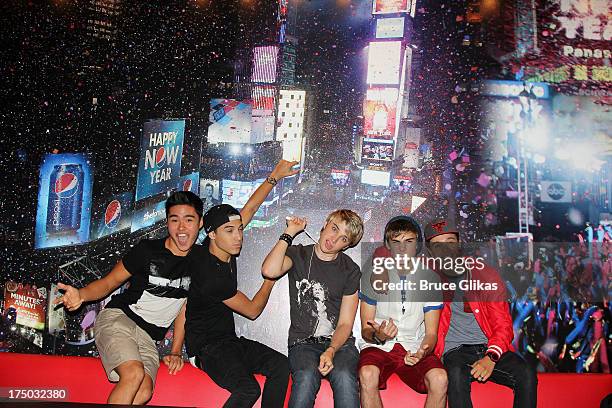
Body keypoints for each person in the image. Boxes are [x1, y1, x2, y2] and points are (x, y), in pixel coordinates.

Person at [56, 191, 204, 405]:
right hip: (119, 319)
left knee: (144, 391)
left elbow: (184, 308)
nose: (181, 228)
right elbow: (109, 282)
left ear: (200, 223)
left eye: (189, 220)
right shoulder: (147, 251)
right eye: (175, 220)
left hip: (148, 338)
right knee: (133, 374)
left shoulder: (201, 262)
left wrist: (175, 351)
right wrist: (82, 294)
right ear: (167, 223)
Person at [185, 160, 298, 408]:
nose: (238, 236)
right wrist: (271, 278)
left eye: (240, 229)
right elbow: (252, 310)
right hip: (206, 350)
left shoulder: (224, 243)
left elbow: (250, 208)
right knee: (248, 390)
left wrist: (275, 175)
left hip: (229, 342)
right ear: (212, 234)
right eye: (230, 230)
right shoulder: (209, 273)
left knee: (280, 366)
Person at [425, 218, 537, 408]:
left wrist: (491, 356)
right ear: (430, 251)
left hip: (488, 345)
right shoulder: (425, 276)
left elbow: (503, 325)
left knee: (526, 373)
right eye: (437, 246)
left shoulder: (485, 274)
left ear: (459, 244)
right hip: (454, 350)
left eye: (450, 243)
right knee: (456, 375)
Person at [262, 210, 364, 408]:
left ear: (348, 245)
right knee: (306, 376)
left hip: (341, 345)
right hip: (303, 343)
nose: (333, 239)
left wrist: (332, 350)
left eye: (343, 238)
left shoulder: (350, 270)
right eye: (334, 229)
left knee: (344, 376)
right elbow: (269, 270)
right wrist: (289, 232)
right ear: (325, 224)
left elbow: (345, 323)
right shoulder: (298, 254)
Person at [358, 216, 447, 408]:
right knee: (367, 373)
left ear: (418, 245)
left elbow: (431, 334)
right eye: (396, 242)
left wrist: (422, 352)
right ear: (388, 245)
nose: (402, 249)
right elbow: (366, 330)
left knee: (440, 378)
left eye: (409, 242)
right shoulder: (372, 275)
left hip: (414, 344)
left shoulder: (430, 279)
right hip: (380, 347)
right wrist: (379, 335)